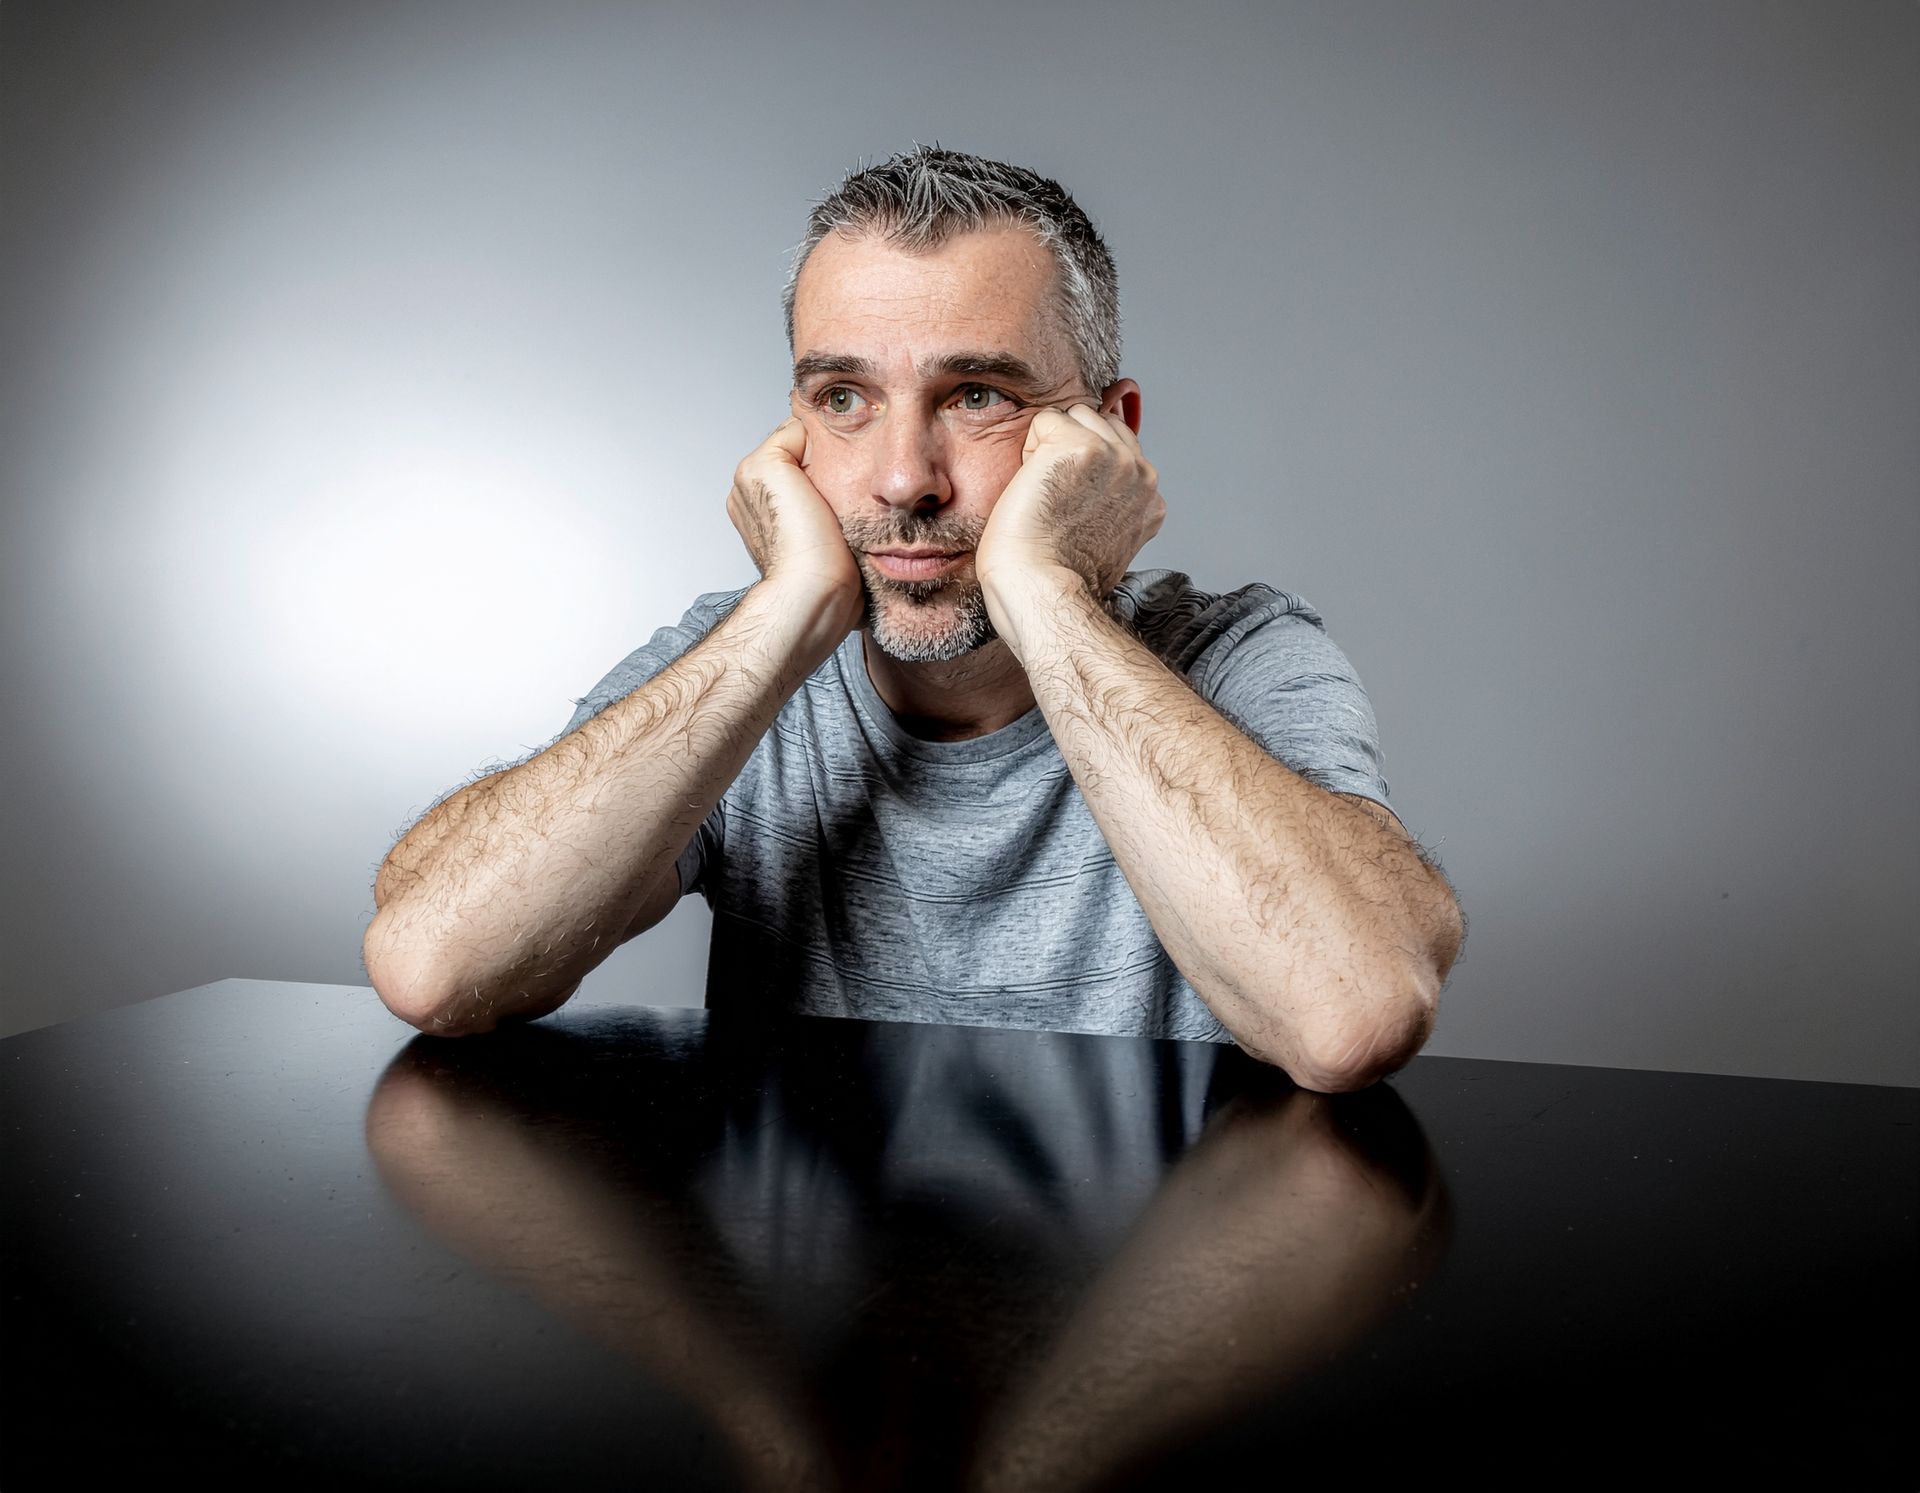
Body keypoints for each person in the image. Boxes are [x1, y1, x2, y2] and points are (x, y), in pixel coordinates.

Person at [364, 146, 1464, 1092]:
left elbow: (1352, 1013)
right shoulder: (737, 662)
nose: (902, 478)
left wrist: (1045, 593)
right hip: (800, 1278)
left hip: (1147, 1267)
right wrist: (788, 613)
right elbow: (432, 964)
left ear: (1109, 432)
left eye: (978, 395)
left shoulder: (1240, 654)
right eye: (843, 398)